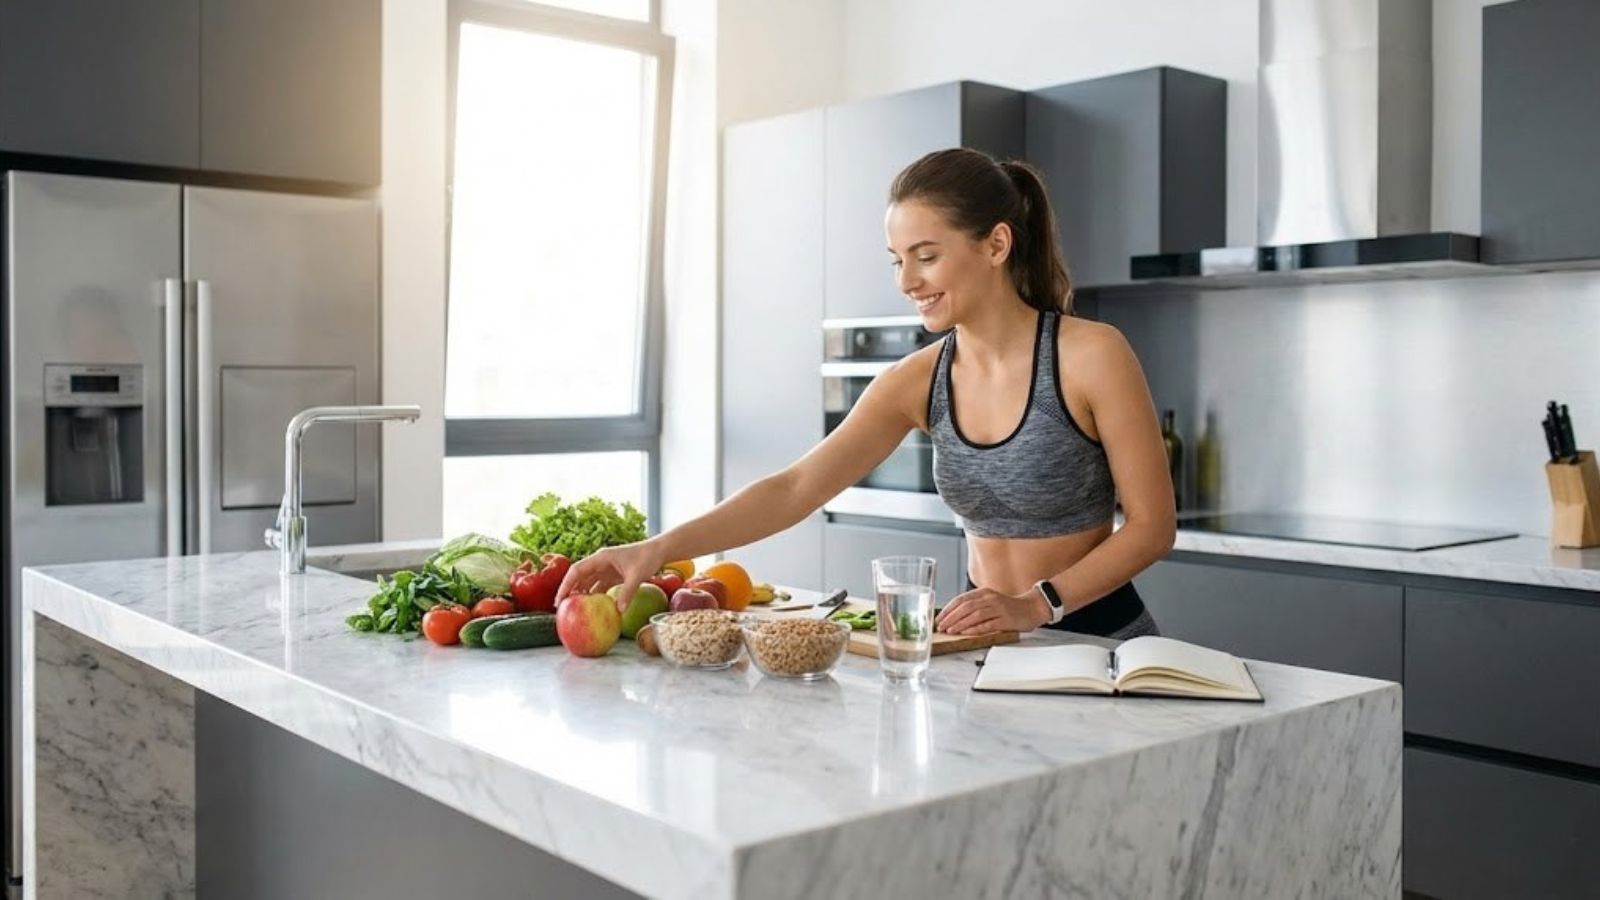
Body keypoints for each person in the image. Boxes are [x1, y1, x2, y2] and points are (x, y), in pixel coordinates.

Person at [557, 147, 1176, 639]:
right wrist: (658, 548)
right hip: (981, 646)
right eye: (896, 260)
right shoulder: (916, 380)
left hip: (1101, 642)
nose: (907, 280)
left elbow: (1153, 527)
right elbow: (795, 488)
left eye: (926, 256)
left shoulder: (1090, 354)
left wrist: (1035, 605)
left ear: (996, 244)